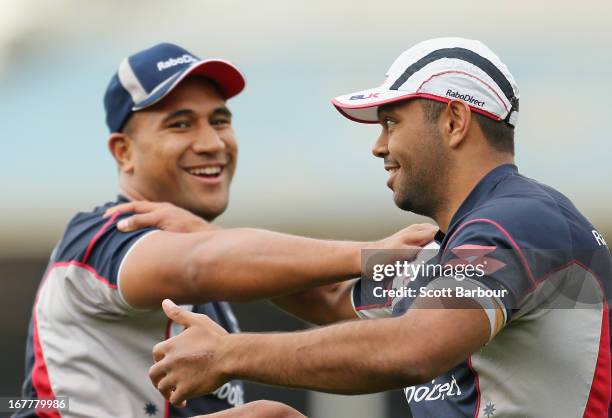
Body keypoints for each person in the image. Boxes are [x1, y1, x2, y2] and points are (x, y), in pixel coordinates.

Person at [146, 38, 612, 417]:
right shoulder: (455, 244)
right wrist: (203, 239)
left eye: (391, 122)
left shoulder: (520, 222)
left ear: (454, 121)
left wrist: (228, 355)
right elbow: (327, 296)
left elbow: (414, 347)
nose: (378, 145)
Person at [13, 42, 437, 418]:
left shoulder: (199, 243)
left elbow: (333, 300)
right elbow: (199, 264)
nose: (212, 143)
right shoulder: (106, 232)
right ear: (124, 152)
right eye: (180, 124)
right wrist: (371, 252)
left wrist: (451, 275)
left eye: (219, 121)